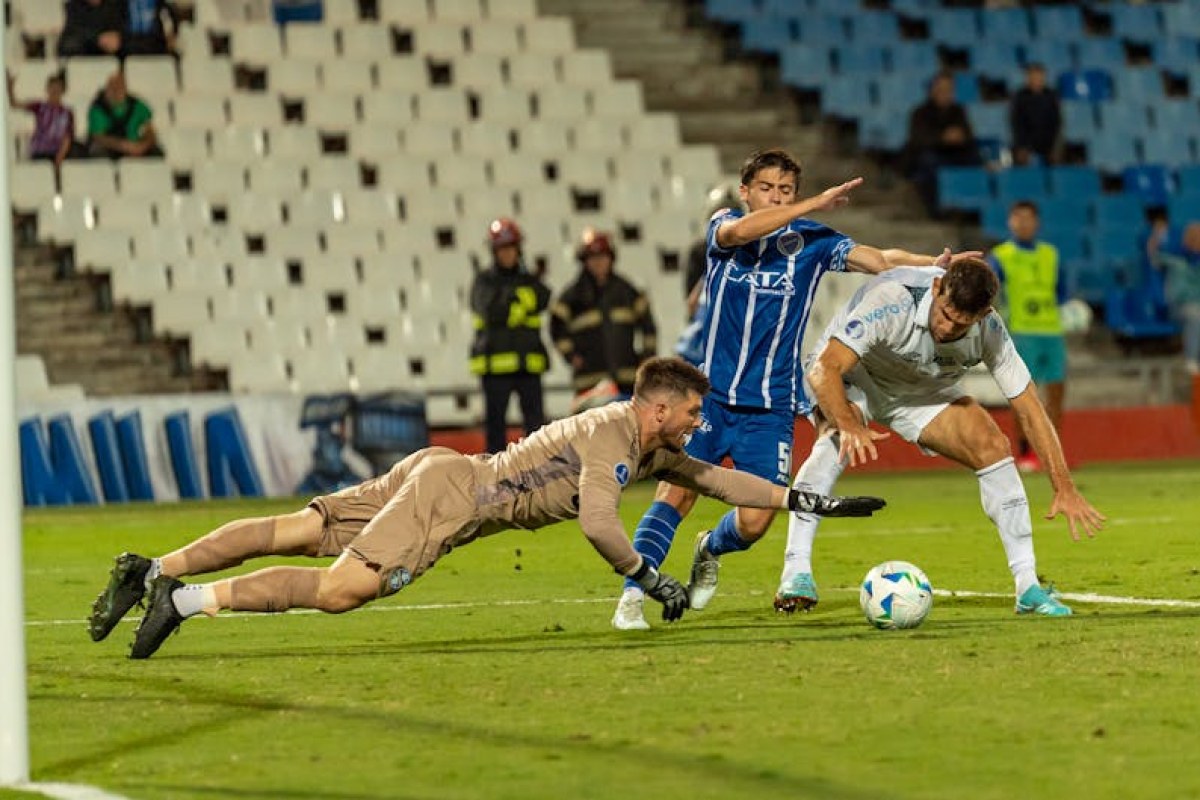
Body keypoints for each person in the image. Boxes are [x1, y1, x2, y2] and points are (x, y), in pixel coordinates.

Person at [86, 357, 887, 659]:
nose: (697, 424)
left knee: (299, 528)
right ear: (661, 407)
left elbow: (720, 481)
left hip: (445, 470)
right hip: (451, 499)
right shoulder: (615, 436)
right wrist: (650, 578)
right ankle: (183, 601)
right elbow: (600, 524)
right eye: (690, 413)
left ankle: (150, 567)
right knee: (341, 591)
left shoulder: (643, 443)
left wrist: (803, 499)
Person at [611, 148, 976, 631]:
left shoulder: (814, 242)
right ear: (745, 192)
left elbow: (880, 259)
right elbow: (745, 230)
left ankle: (709, 548)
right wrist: (813, 205)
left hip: (771, 410)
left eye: (786, 190)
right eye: (766, 188)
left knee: (756, 521)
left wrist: (936, 267)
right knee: (674, 495)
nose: (776, 197)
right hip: (708, 400)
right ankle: (633, 595)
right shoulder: (723, 230)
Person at [776, 257, 1104, 617]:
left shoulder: (990, 330)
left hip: (919, 390)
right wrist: (848, 423)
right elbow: (827, 367)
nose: (947, 328)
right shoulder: (893, 299)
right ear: (936, 289)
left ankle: (1027, 585)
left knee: (991, 445)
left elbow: (1029, 407)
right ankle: (796, 572)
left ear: (982, 315)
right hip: (855, 376)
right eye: (945, 313)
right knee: (836, 439)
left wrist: (1063, 486)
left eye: (961, 323)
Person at [987, 200, 1068, 473]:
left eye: (1028, 218)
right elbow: (988, 291)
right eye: (1018, 218)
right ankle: (1025, 454)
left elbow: (1061, 291)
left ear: (1037, 222)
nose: (1023, 223)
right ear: (1010, 222)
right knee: (1024, 396)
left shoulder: (1051, 254)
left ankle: (1052, 457)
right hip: (1021, 333)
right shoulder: (1001, 256)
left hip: (1052, 331)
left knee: (1056, 395)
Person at [469, 218, 551, 453]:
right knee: (495, 429)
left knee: (536, 428)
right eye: (502, 248)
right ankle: (494, 480)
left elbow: (543, 298)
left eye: (511, 247)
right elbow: (488, 309)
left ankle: (538, 477)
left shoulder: (529, 279)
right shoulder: (484, 281)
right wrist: (520, 302)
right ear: (494, 251)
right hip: (495, 368)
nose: (507, 253)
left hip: (528, 365)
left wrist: (509, 304)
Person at [550, 228, 657, 399]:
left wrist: (647, 358)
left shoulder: (627, 291)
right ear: (584, 261)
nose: (598, 262)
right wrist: (572, 357)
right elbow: (556, 330)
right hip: (588, 383)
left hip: (626, 381)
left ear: (611, 258)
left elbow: (649, 327)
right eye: (592, 258)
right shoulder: (571, 296)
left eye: (603, 257)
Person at [904, 71, 981, 215]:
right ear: (933, 90)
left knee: (975, 158)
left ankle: (972, 208)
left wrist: (960, 137)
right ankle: (937, 209)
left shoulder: (958, 111)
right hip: (931, 154)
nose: (944, 93)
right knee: (929, 162)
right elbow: (919, 139)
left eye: (948, 89)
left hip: (956, 152)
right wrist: (942, 138)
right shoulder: (920, 112)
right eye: (941, 89)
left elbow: (969, 134)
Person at [1148, 221, 1200, 377]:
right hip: (1179, 307)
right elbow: (1153, 256)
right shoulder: (1174, 258)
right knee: (1195, 316)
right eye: (1193, 237)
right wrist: (1156, 236)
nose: (1196, 241)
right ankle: (1191, 359)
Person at [7, 72, 79, 167]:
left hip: (58, 152)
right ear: (47, 89)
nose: (54, 91)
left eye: (58, 88)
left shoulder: (67, 113)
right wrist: (10, 89)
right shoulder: (40, 107)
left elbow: (68, 136)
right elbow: (15, 104)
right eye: (52, 88)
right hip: (40, 151)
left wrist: (60, 156)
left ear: (63, 91)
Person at [86, 71, 162, 159]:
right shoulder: (98, 108)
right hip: (112, 148)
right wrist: (124, 146)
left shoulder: (137, 105)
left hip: (135, 146)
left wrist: (143, 146)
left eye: (120, 86)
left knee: (156, 153)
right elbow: (98, 137)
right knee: (98, 152)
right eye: (113, 87)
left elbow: (149, 130)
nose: (116, 90)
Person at [1009, 63, 1061, 167]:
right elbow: (1017, 122)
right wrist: (1021, 146)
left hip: (1047, 144)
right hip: (1026, 144)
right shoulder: (1020, 97)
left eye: (1039, 77)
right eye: (1033, 77)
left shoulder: (1051, 96)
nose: (1037, 80)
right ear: (1028, 78)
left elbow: (1056, 122)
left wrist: (1055, 148)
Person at [57, 0, 124, 58]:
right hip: (82, 62)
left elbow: (120, 38)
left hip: (112, 61)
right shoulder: (73, 8)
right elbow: (66, 47)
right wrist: (98, 39)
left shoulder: (115, 7)